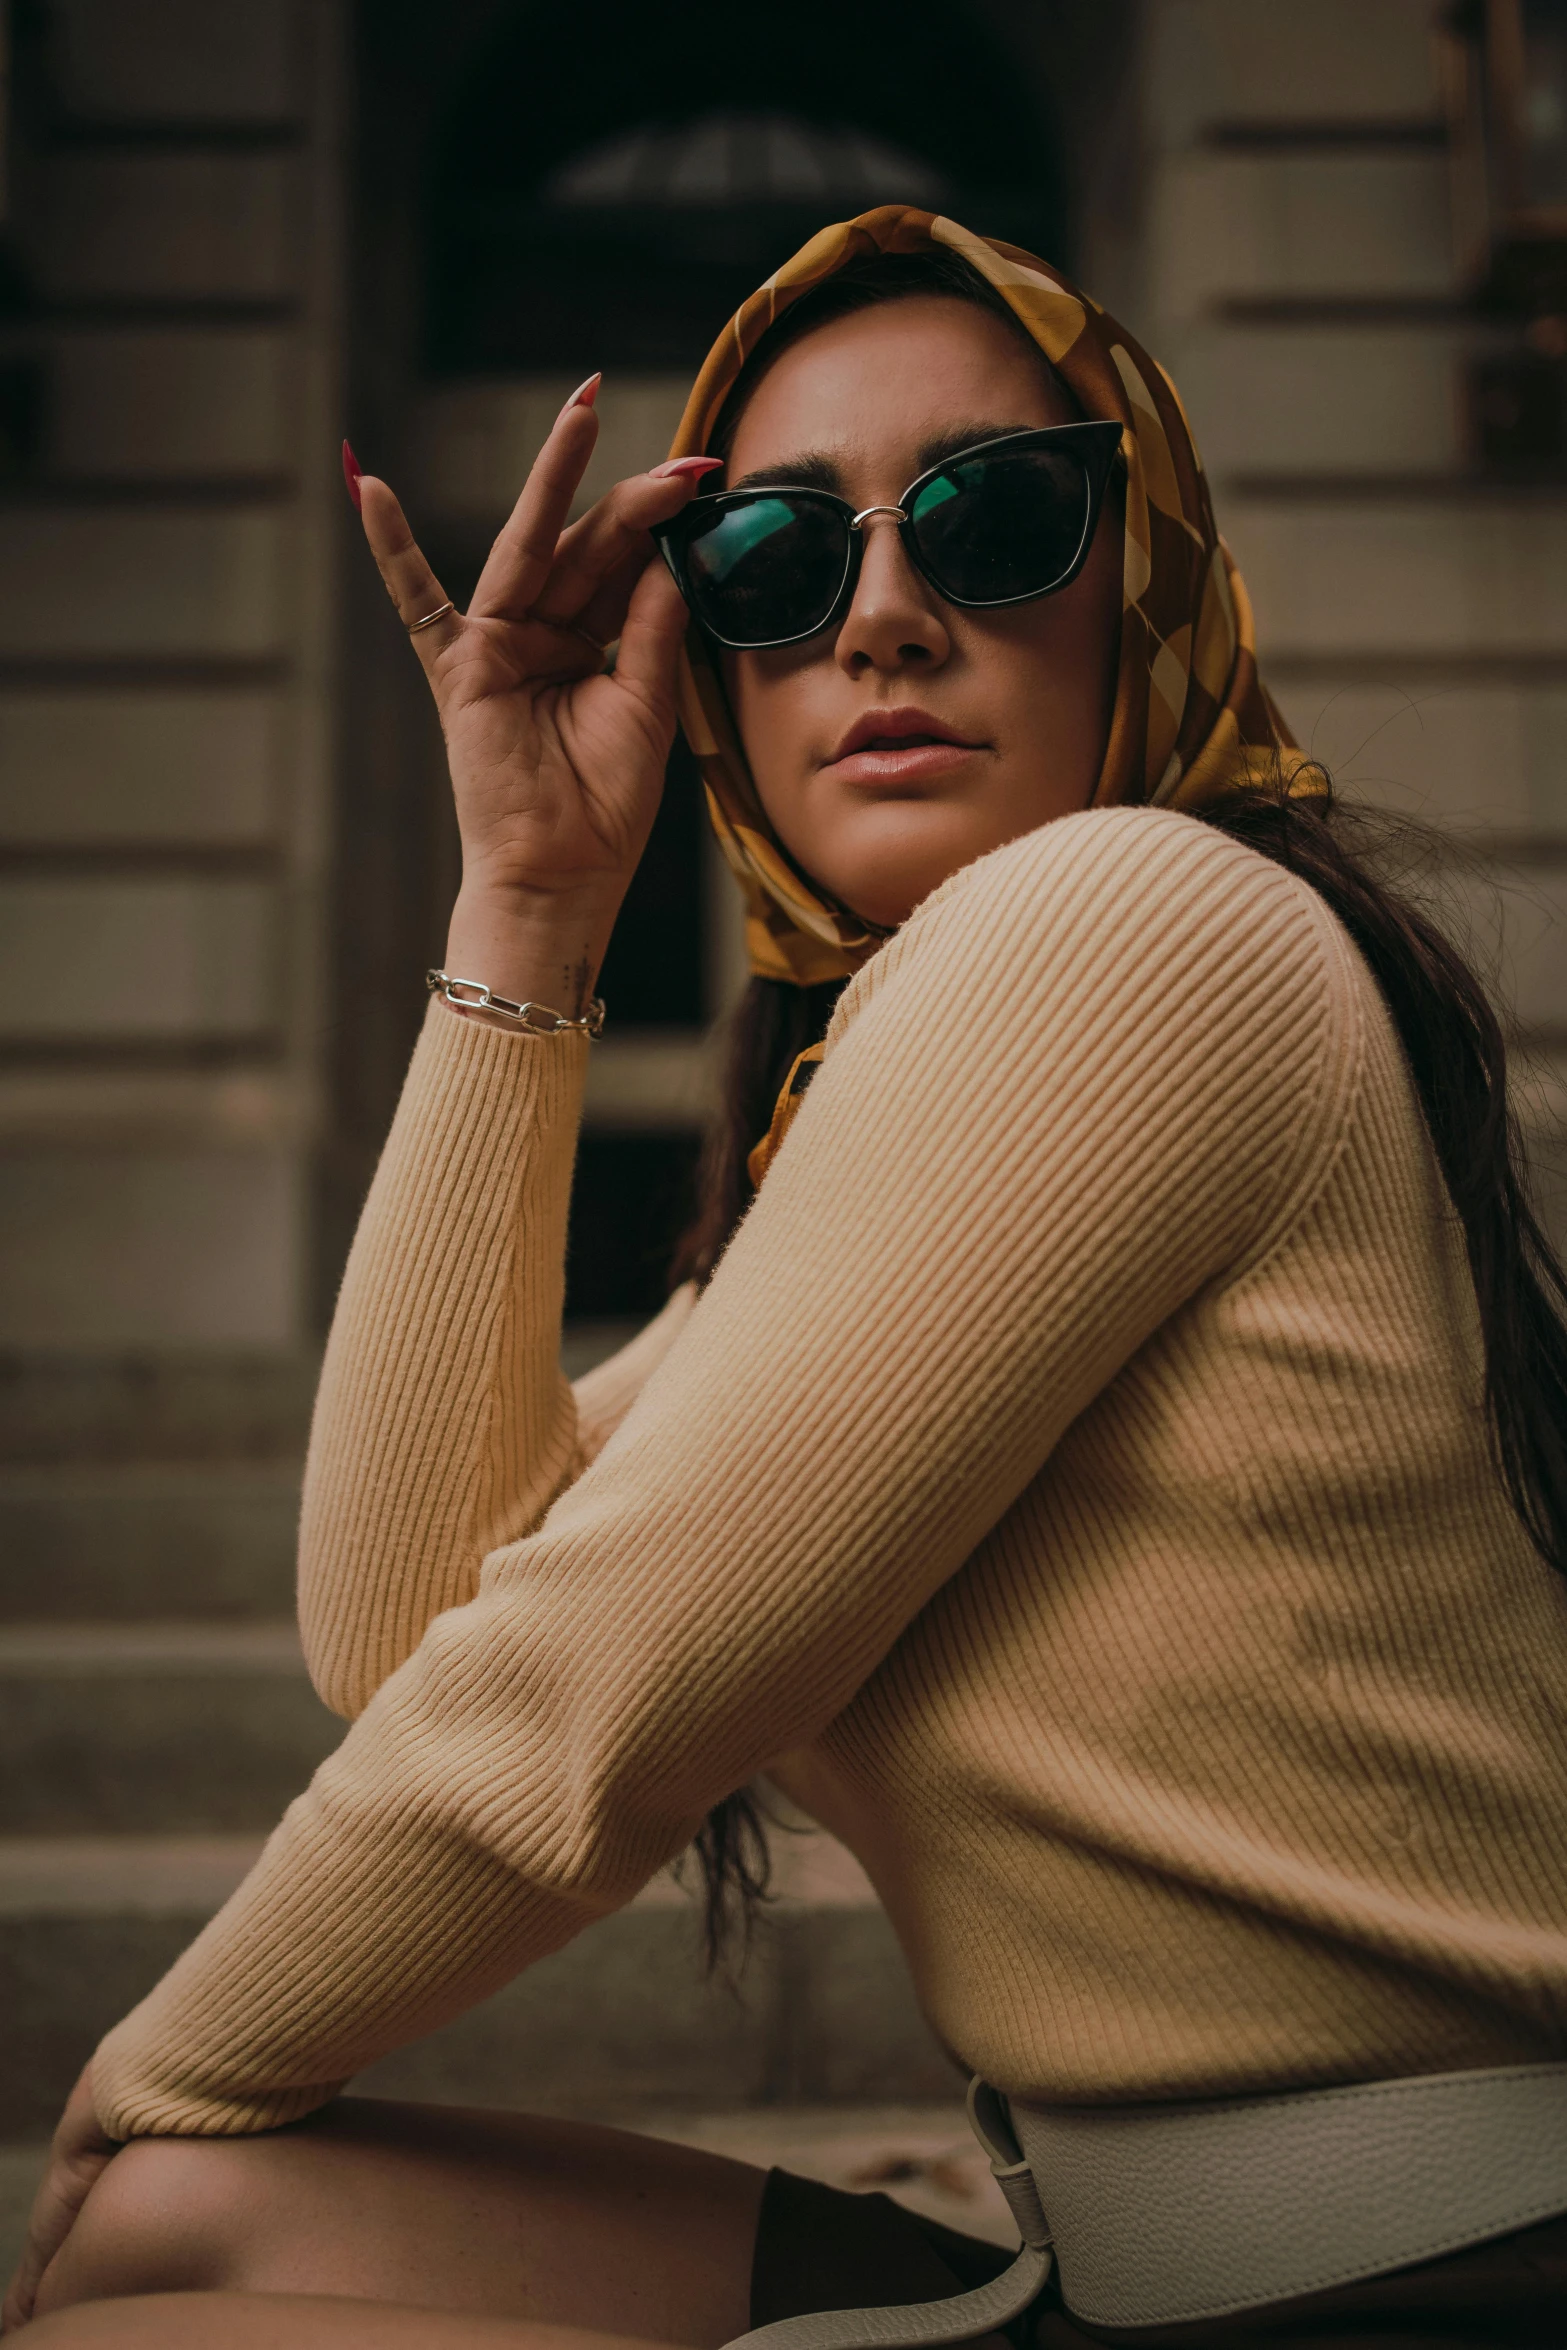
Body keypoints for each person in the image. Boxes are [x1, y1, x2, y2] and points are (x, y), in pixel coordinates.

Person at [7, 206, 1567, 2349]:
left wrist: (149, 2060)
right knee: (180, 2235)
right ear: (717, 655)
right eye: (775, 559)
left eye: (994, 517)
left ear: (1145, 574)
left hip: (1410, 2282)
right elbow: (409, 1626)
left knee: (132, 2299)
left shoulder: (1129, 928)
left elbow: (586, 1695)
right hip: (1143, 2261)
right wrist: (531, 903)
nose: (887, 615)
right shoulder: (929, 1069)